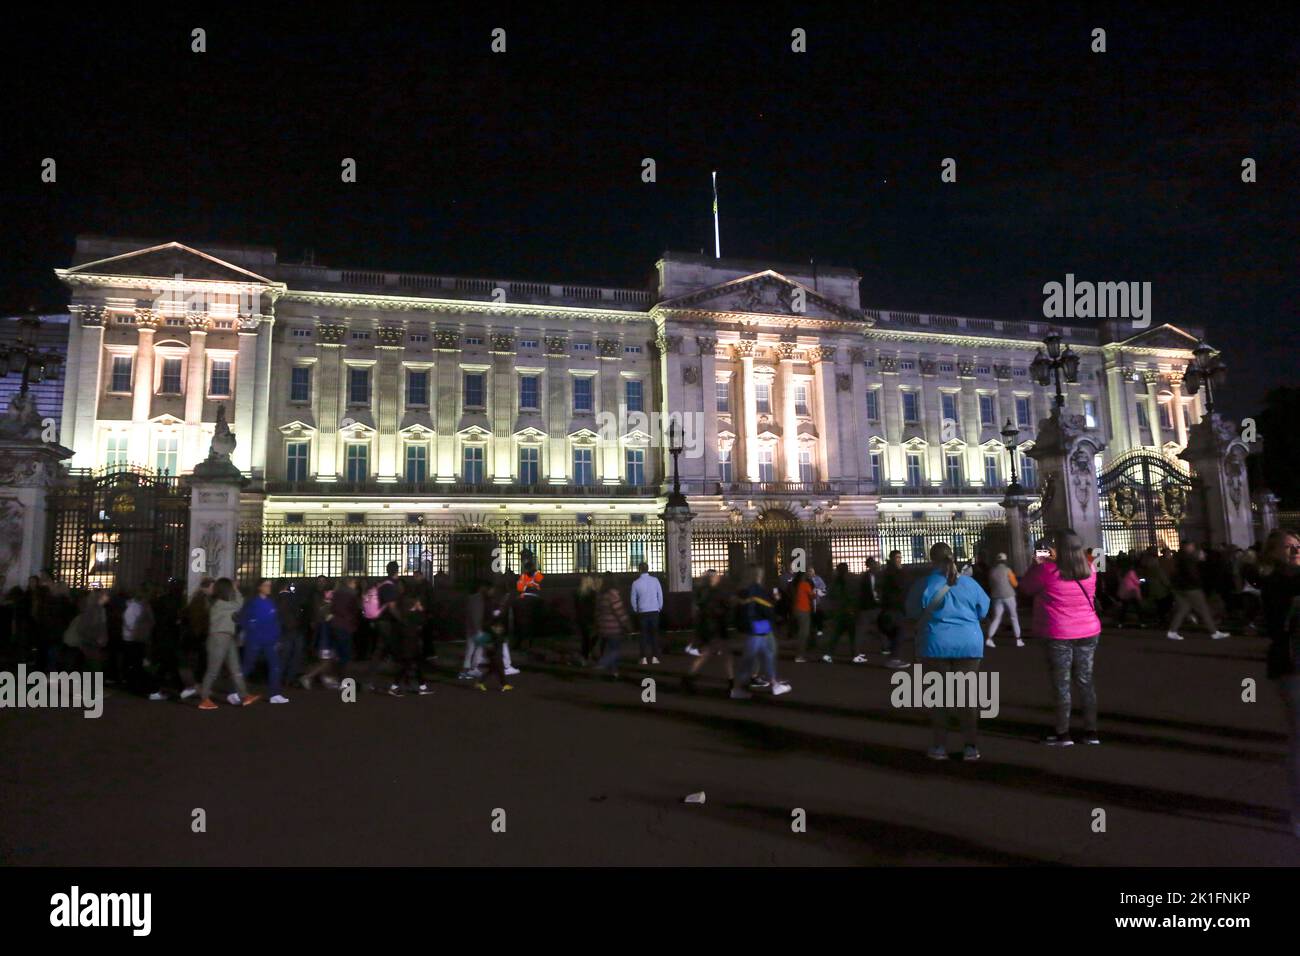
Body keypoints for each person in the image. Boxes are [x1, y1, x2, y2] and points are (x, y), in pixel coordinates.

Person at [906, 542, 990, 760]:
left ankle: (940, 746)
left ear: (931, 559)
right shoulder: (970, 584)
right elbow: (984, 609)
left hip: (935, 644)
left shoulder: (924, 584)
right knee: (966, 698)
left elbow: (913, 612)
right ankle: (971, 746)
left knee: (939, 699)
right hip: (969, 644)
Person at [1020, 528, 1103, 746]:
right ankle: (1091, 731)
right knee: (1085, 681)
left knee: (1062, 683)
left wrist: (1037, 563)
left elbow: (1026, 588)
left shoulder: (1047, 570)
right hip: (1088, 630)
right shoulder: (1090, 568)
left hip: (1059, 632)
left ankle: (1063, 733)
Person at [1259, 529, 1300, 838]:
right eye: (1287, 548)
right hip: (1291, 664)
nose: (1294, 551)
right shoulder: (1277, 581)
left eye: (1298, 546)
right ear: (1273, 553)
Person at [732, 565, 791, 699]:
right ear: (757, 575)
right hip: (759, 627)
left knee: (765, 656)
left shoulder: (744, 589)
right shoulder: (757, 590)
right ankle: (739, 689)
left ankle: (774, 684)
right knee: (754, 658)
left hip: (754, 627)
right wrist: (775, 606)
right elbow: (766, 608)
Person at [198, 578, 256, 710]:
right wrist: (236, 589)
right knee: (213, 671)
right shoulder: (219, 603)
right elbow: (239, 604)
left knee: (235, 669)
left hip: (226, 637)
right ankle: (204, 698)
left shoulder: (220, 603)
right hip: (218, 638)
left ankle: (244, 696)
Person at [1167, 541, 1230, 641]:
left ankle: (1172, 631)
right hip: (1191, 588)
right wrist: (1200, 563)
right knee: (1203, 610)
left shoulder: (1179, 557)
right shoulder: (1188, 559)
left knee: (1183, 609)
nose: (1193, 548)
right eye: (1191, 546)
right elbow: (1193, 574)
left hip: (1180, 587)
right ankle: (1214, 632)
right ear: (1187, 547)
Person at [683, 569, 734, 693]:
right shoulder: (713, 592)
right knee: (725, 655)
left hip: (709, 628)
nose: (718, 578)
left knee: (708, 655)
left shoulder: (703, 592)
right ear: (711, 578)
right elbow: (715, 610)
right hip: (715, 628)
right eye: (716, 576)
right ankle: (731, 682)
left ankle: (689, 678)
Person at [239, 578, 288, 704]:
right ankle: (236, 691)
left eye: (269, 585)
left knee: (275, 666)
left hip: (269, 640)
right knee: (248, 666)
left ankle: (274, 694)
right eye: (266, 585)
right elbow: (245, 619)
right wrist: (253, 629)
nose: (269, 587)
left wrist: (277, 637)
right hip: (255, 639)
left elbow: (275, 621)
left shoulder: (271, 602)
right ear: (259, 587)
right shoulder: (253, 602)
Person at [390, 591, 433, 696]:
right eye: (417, 602)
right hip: (410, 645)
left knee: (415, 665)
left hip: (408, 644)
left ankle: (422, 687)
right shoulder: (413, 615)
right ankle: (394, 687)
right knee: (406, 666)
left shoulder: (404, 615)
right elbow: (424, 621)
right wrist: (421, 609)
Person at [177, 578, 214, 699]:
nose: (213, 590)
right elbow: (198, 618)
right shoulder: (200, 599)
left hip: (198, 633)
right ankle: (196, 686)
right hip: (198, 634)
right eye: (212, 587)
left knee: (200, 661)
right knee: (200, 661)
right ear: (207, 587)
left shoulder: (200, 598)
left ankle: (197, 685)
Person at [475, 584, 515, 692]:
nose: (493, 591)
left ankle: (483, 682)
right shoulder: (488, 604)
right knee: (497, 661)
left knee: (495, 663)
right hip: (493, 636)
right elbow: (488, 621)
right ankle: (503, 684)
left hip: (494, 635)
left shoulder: (488, 602)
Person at [594, 577, 634, 679]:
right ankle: (603, 663)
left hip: (603, 627)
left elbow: (597, 612)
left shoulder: (601, 595)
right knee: (615, 650)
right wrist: (627, 624)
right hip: (614, 627)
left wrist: (599, 624)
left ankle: (614, 672)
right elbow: (619, 611)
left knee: (611, 649)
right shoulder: (613, 595)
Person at [819, 563, 858, 663]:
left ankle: (828, 654)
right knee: (852, 634)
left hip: (838, 612)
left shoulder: (835, 582)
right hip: (848, 611)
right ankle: (855, 654)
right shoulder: (850, 580)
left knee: (835, 635)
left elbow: (830, 595)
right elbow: (852, 596)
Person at [984, 553, 1023, 648]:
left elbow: (990, 584)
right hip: (1009, 595)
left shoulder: (992, 571)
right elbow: (1015, 584)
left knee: (997, 618)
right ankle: (1018, 639)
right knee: (1013, 617)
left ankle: (989, 638)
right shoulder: (1008, 570)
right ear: (1005, 561)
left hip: (996, 596)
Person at [630, 562, 664, 665]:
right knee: (654, 634)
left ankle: (643, 658)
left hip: (642, 612)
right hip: (654, 611)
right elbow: (660, 595)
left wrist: (636, 609)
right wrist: (659, 607)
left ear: (639, 570)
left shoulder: (636, 583)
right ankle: (655, 657)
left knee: (643, 635)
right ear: (648, 569)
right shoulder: (655, 580)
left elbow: (633, 599)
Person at [879, 550, 908, 668]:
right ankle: (893, 658)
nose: (899, 559)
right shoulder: (892, 571)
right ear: (892, 559)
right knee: (899, 631)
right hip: (893, 607)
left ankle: (892, 656)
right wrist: (901, 571)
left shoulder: (891, 571)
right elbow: (899, 584)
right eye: (897, 557)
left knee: (895, 632)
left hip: (894, 606)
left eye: (900, 557)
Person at [275, 580, 306, 689]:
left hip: (285, 628)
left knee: (285, 654)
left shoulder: (276, 598)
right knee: (294, 653)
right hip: (293, 628)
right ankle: (289, 678)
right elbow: (298, 611)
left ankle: (280, 678)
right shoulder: (291, 597)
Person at [514, 560, 544, 652]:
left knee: (522, 624)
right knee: (531, 624)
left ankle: (521, 643)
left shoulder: (523, 576)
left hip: (524, 601)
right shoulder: (537, 575)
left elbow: (519, 588)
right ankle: (529, 644)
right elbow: (541, 584)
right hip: (534, 601)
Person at [574, 575, 601, 663]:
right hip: (590, 618)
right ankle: (586, 655)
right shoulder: (592, 593)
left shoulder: (579, 593)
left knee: (586, 638)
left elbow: (577, 607)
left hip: (582, 618)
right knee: (593, 637)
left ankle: (585, 656)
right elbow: (595, 606)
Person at [791, 571, 815, 663]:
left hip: (796, 610)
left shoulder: (794, 585)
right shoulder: (805, 584)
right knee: (804, 634)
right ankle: (800, 655)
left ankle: (799, 654)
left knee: (800, 633)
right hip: (804, 610)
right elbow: (812, 596)